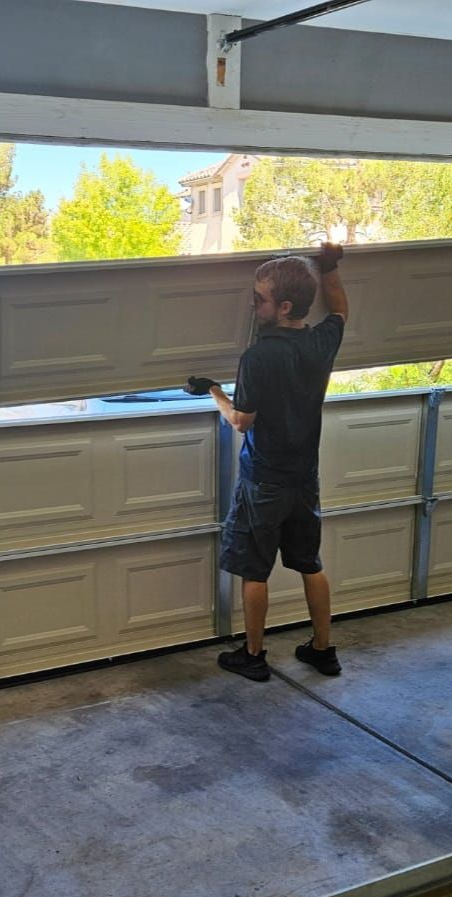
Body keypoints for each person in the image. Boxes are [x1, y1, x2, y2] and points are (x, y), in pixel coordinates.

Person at [185, 242, 348, 682]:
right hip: (304, 478)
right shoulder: (321, 342)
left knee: (255, 568)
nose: (253, 305)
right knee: (310, 562)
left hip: (264, 481)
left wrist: (215, 392)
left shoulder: (258, 357)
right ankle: (322, 650)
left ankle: (254, 655)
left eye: (259, 299)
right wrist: (330, 268)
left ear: (284, 306)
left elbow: (242, 420)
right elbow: (340, 308)